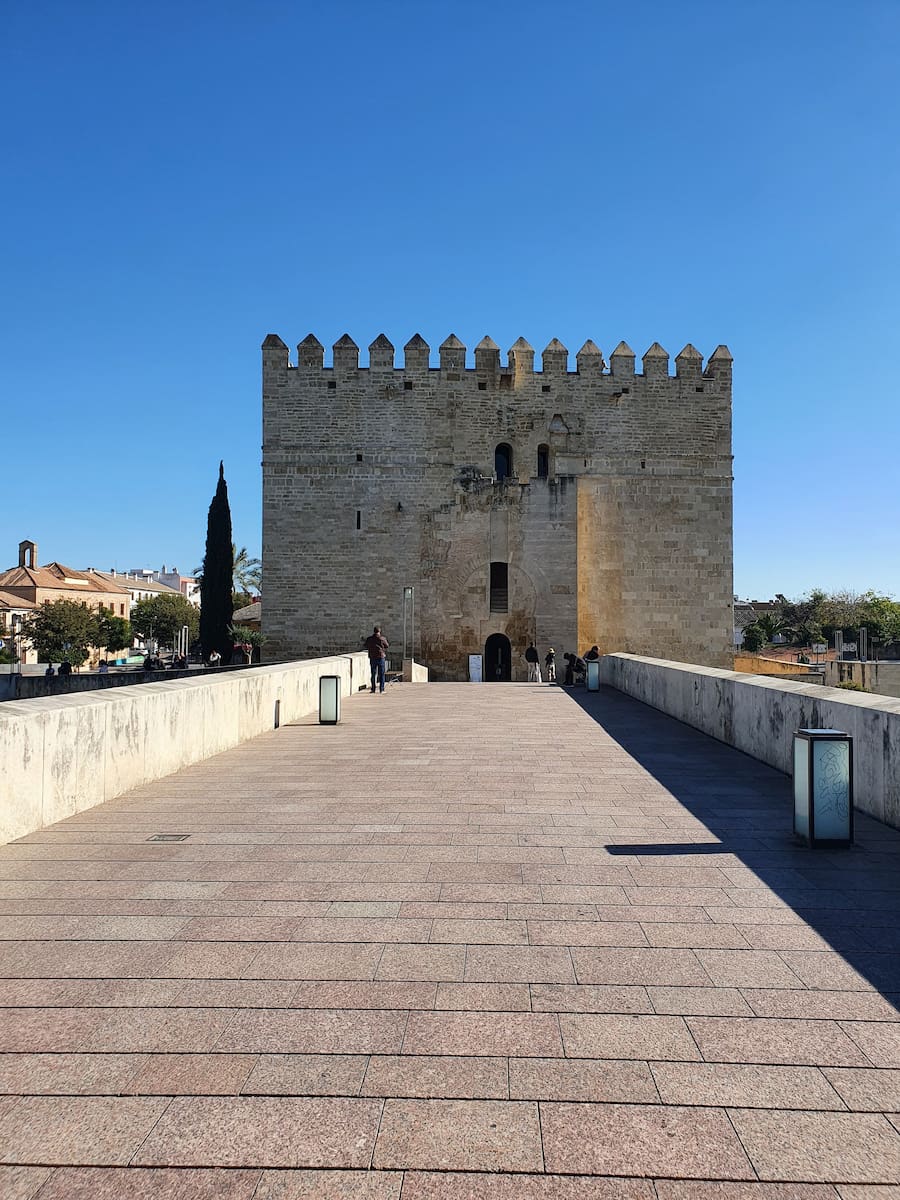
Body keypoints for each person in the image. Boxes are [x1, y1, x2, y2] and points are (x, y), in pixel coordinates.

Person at [364, 625, 389, 693]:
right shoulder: (382, 638)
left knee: (373, 674)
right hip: (381, 657)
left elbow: (366, 645)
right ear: (379, 631)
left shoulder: (369, 639)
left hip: (372, 657)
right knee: (381, 674)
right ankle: (381, 689)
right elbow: (387, 645)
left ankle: (373, 689)